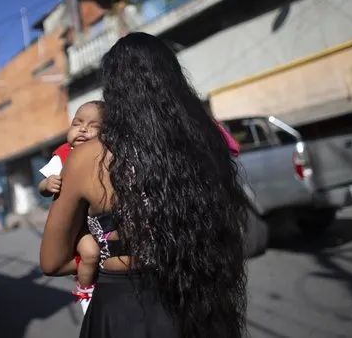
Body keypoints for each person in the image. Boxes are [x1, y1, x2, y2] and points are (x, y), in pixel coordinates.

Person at [40, 33, 248, 338]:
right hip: (204, 301)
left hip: (124, 313)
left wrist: (99, 247)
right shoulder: (206, 142)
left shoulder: (87, 158)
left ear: (113, 91)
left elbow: (52, 261)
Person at [38, 101, 103, 313]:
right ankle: (86, 291)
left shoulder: (104, 155)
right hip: (77, 225)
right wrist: (48, 185)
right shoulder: (64, 154)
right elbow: (41, 186)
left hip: (99, 221)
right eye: (77, 123)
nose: (83, 129)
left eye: (93, 126)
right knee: (91, 254)